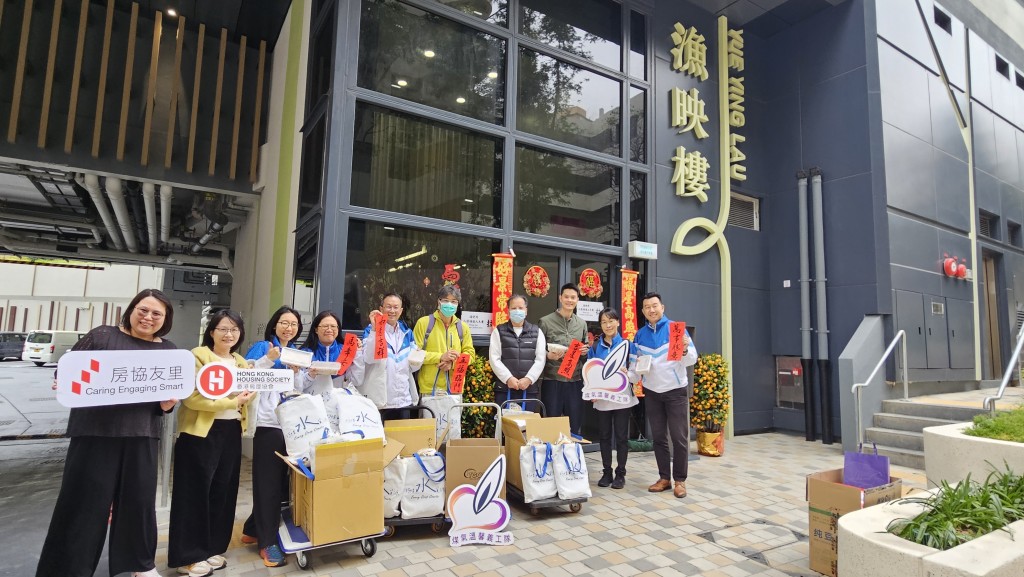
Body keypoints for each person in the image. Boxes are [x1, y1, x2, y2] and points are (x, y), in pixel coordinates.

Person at [36, 289, 179, 577]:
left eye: (156, 313)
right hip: (94, 434)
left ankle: (140, 565)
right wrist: (62, 381)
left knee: (139, 503)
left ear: (165, 319)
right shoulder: (102, 336)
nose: (148, 317)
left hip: (142, 435)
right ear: (132, 309)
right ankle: (68, 569)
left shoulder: (168, 351)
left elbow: (165, 398)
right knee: (83, 503)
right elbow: (68, 369)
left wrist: (167, 405)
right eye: (143, 310)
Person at [168, 310, 255, 577]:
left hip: (231, 431)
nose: (229, 334)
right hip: (199, 434)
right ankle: (187, 557)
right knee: (193, 493)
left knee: (223, 490)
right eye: (223, 329)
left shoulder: (241, 362)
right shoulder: (198, 356)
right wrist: (233, 401)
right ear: (212, 331)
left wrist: (250, 393)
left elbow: (246, 398)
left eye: (234, 330)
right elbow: (191, 398)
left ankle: (210, 548)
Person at [238, 305, 303, 568]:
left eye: (294, 324)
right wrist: (268, 359)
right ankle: (267, 542)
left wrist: (299, 373)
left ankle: (253, 528)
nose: (289, 328)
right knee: (268, 483)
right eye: (284, 322)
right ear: (274, 325)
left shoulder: (295, 353)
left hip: (289, 424)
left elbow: (296, 389)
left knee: (278, 482)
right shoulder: (262, 347)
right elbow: (245, 378)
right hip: (267, 424)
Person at [632, 292, 697, 499]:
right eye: (647, 307)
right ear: (643, 311)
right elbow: (636, 365)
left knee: (679, 438)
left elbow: (692, 359)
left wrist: (685, 350)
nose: (651, 310)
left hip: (675, 391)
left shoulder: (676, 329)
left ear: (662, 307)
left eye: (655, 306)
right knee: (659, 437)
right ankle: (664, 478)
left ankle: (680, 480)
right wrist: (629, 375)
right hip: (652, 392)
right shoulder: (640, 335)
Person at [588, 308, 638, 490]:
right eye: (604, 322)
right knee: (604, 436)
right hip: (603, 400)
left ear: (618, 322)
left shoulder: (628, 345)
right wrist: (592, 392)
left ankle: (621, 473)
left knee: (621, 437)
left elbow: (637, 374)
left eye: (611, 321)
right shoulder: (595, 347)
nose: (608, 325)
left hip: (623, 398)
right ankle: (607, 472)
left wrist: (628, 374)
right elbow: (590, 372)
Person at [537, 283, 589, 435]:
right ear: (560, 298)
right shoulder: (545, 322)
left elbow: (585, 351)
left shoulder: (582, 324)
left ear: (577, 300)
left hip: (575, 380)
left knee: (574, 424)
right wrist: (548, 355)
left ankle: (573, 450)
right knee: (550, 424)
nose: (569, 300)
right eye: (566, 297)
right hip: (552, 380)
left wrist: (585, 351)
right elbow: (537, 350)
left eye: (573, 297)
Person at [359, 293, 423, 415]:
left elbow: (413, 368)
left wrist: (418, 358)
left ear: (401, 310)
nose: (392, 311)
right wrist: (375, 330)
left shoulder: (407, 333)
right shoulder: (371, 330)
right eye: (388, 307)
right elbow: (369, 358)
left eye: (396, 307)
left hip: (404, 400)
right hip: (380, 401)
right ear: (381, 309)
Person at [413, 285, 475, 396]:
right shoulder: (424, 323)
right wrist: (440, 357)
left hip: (455, 388)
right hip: (429, 389)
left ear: (458, 304)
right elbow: (414, 354)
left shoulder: (463, 327)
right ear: (439, 302)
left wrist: (453, 364)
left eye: (454, 301)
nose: (449, 304)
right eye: (446, 300)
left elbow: (470, 355)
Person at [488, 294, 546, 408]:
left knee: (527, 419)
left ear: (526, 311)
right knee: (505, 419)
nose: (517, 311)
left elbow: (540, 359)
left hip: (529, 390)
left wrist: (529, 379)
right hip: (504, 389)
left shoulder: (537, 332)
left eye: (520, 308)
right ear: (508, 311)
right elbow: (494, 358)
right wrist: (508, 378)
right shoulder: (499, 331)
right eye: (514, 308)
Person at [300, 310, 348, 394]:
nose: (329, 330)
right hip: (312, 399)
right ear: (316, 330)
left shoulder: (346, 351)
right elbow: (299, 384)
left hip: (339, 398)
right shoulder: (305, 353)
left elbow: (356, 380)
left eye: (333, 326)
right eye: (325, 326)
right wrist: (311, 375)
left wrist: (358, 353)